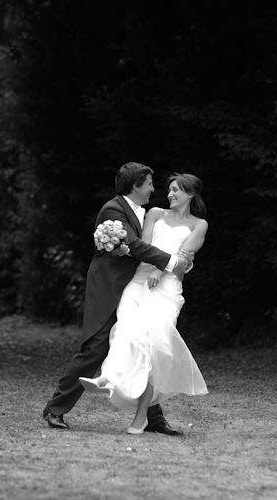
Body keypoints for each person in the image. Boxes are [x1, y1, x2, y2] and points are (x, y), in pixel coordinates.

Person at [43, 162, 191, 435]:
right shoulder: (113, 209)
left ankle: (152, 418)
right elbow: (135, 246)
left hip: (136, 288)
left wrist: (182, 256)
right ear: (135, 185)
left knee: (145, 345)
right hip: (109, 288)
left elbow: (150, 244)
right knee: (96, 348)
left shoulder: (144, 212)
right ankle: (55, 409)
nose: (152, 189)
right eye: (148, 184)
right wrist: (172, 262)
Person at [79, 173, 209, 434]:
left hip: (168, 286)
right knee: (126, 329)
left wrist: (161, 271)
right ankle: (108, 377)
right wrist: (154, 266)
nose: (170, 194)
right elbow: (144, 246)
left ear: (190, 194)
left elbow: (184, 258)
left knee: (154, 347)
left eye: (176, 190)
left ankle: (142, 418)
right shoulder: (155, 214)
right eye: (169, 189)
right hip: (139, 280)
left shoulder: (199, 224)